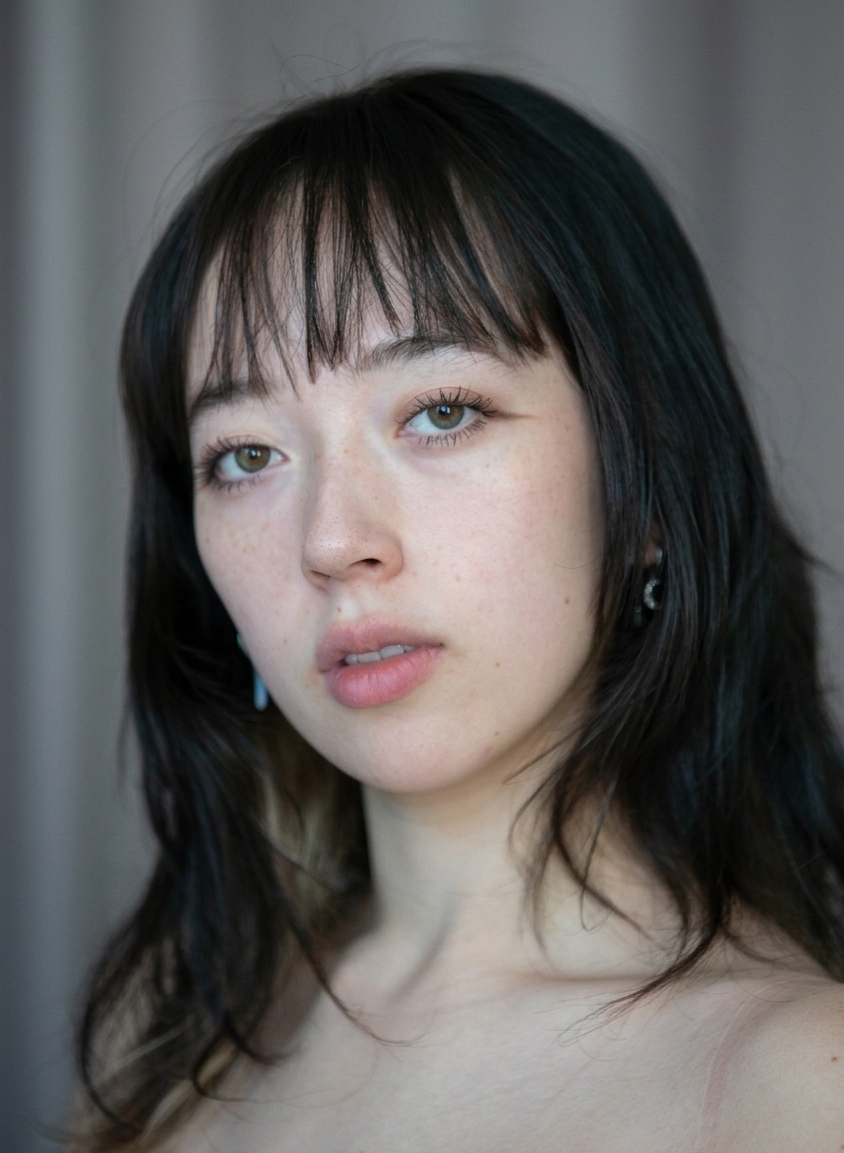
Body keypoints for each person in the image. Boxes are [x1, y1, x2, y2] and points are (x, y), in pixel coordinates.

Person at [73, 69, 844, 1151]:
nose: (331, 541)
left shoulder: (798, 1087)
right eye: (245, 456)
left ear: (650, 486)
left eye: (441, 411)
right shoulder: (166, 1036)